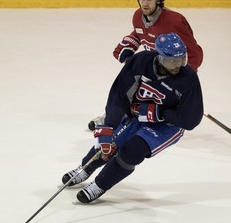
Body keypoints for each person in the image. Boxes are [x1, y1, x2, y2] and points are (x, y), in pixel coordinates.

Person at [63, 33, 204, 203]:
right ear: (159, 57)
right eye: (171, 61)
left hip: (167, 125)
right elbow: (119, 94)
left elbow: (191, 120)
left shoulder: (188, 79)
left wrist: (158, 113)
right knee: (110, 140)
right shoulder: (141, 62)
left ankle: (100, 185)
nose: (176, 65)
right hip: (138, 113)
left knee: (133, 150)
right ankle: (85, 168)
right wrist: (109, 125)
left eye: (181, 60)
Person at [88, 0, 203, 130]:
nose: (145, 3)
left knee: (154, 100)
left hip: (171, 72)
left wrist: (185, 79)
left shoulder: (175, 21)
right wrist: (130, 45)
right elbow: (140, 33)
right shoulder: (138, 16)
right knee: (127, 86)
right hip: (150, 69)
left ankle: (134, 118)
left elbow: (194, 53)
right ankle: (115, 117)